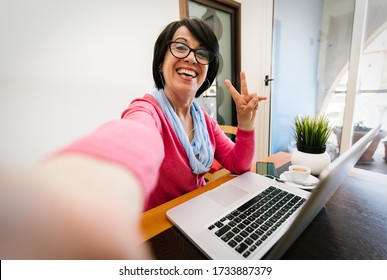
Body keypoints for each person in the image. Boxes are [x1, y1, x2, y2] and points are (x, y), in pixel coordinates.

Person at [0, 17, 266, 259]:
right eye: (181, 47)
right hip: (161, 232)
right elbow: (135, 137)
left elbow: (238, 164)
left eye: (202, 53)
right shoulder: (146, 110)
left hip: (198, 218)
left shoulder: (204, 120)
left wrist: (246, 125)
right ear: (161, 63)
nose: (191, 59)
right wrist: (82, 187)